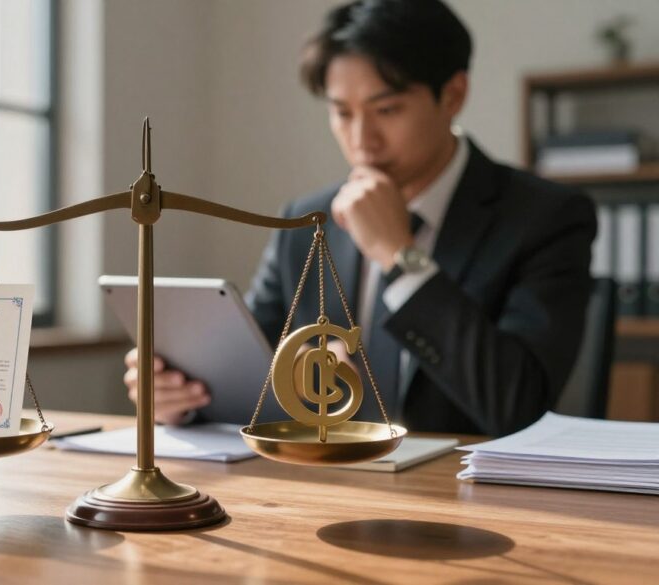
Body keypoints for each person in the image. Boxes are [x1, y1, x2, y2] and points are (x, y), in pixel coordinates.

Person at [123, 0, 596, 436]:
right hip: (322, 488)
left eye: (386, 110)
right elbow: (252, 372)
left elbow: (520, 407)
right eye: (342, 113)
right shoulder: (304, 221)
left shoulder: (546, 217)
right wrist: (181, 398)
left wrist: (401, 258)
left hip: (469, 502)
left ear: (453, 95)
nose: (362, 139)